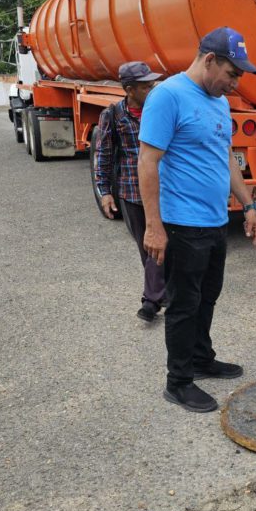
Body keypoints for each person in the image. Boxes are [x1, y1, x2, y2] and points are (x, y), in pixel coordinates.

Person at [138, 27, 256, 413]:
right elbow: (148, 161)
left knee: (207, 296)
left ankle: (200, 358)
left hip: (214, 222)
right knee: (183, 305)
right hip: (181, 224)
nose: (235, 83)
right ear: (209, 60)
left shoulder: (219, 102)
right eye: (232, 73)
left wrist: (249, 204)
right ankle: (178, 382)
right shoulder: (168, 96)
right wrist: (153, 226)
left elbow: (226, 158)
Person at [92, 61, 165, 322]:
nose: (152, 90)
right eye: (146, 87)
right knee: (146, 247)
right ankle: (159, 293)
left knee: (164, 242)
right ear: (129, 89)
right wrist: (105, 191)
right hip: (132, 192)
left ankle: (151, 300)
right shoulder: (112, 115)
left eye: (153, 85)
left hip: (163, 190)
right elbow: (104, 154)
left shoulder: (161, 110)